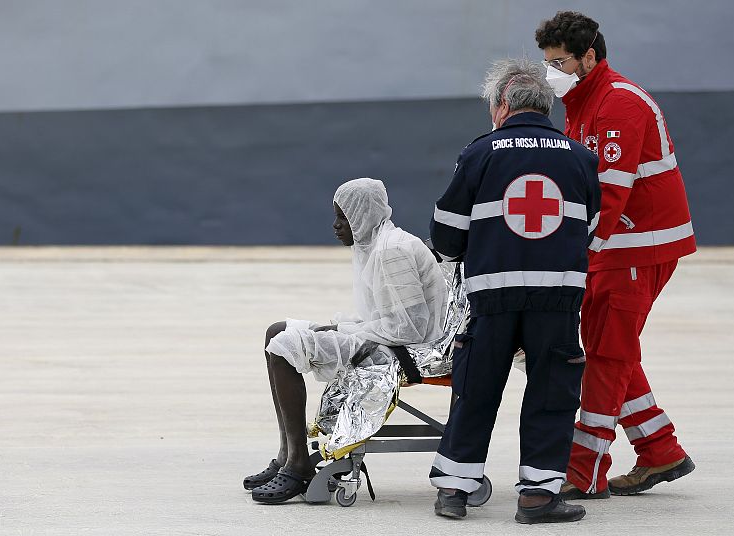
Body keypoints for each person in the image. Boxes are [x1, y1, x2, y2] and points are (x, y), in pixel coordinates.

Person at [428, 58, 600, 524]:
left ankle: (454, 489)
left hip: (492, 296)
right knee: (551, 392)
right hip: (557, 298)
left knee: (476, 388)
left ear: (503, 105)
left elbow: (446, 233)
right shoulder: (580, 157)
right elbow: (590, 227)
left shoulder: (480, 153)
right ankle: (538, 497)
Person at [535, 11, 697, 499]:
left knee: (607, 354)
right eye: (547, 63)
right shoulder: (584, 101)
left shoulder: (618, 104)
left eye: (559, 63)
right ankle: (660, 449)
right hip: (617, 246)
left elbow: (609, 194)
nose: (552, 73)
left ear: (589, 57)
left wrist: (571, 255)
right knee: (611, 346)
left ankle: (583, 471)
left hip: (638, 246)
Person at [244, 177, 447, 503]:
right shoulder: (375, 244)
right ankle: (287, 452)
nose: (336, 225)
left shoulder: (392, 251)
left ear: (363, 216)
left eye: (344, 217)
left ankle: (299, 466)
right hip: (388, 339)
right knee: (276, 331)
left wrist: (343, 330)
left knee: (284, 348)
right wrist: (342, 328)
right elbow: (387, 320)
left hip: (409, 351)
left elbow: (410, 330)